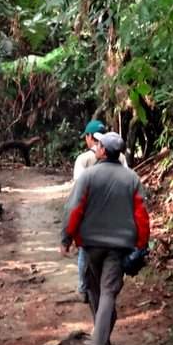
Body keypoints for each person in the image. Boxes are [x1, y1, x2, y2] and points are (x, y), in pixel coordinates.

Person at [60, 131, 150, 345]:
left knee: (95, 291)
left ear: (102, 151)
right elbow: (141, 215)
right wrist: (141, 244)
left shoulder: (88, 177)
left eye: (98, 145)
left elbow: (74, 209)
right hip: (118, 247)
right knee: (107, 292)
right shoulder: (132, 178)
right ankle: (101, 342)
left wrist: (66, 238)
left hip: (90, 245)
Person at [73, 120, 107, 300]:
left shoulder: (83, 159)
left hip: (88, 213)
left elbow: (78, 188)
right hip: (110, 212)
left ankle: (83, 288)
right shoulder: (118, 156)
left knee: (84, 251)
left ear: (89, 137)